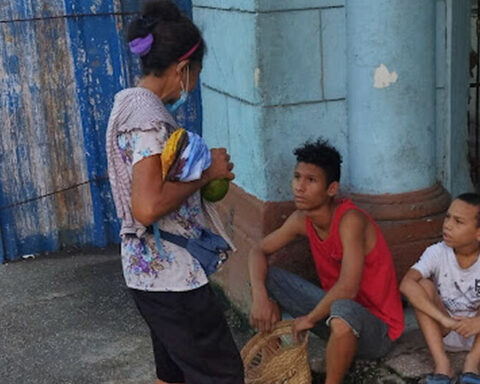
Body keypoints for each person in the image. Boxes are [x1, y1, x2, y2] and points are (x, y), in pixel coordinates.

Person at [105, 1, 244, 383]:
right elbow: (147, 207)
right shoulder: (148, 121)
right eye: (196, 72)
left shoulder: (130, 105)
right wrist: (206, 175)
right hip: (171, 274)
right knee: (223, 375)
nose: (195, 84)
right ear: (183, 69)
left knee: (172, 373)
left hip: (149, 273)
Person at [248, 139, 405, 384]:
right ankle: (275, 365)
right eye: (297, 177)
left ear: (331, 189)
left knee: (342, 307)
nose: (300, 187)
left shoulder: (350, 220)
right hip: (334, 316)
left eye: (311, 180)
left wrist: (309, 319)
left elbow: (348, 288)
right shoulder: (301, 219)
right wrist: (259, 296)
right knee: (267, 277)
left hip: (378, 331)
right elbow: (258, 250)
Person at [400, 193, 480, 384]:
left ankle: (472, 364)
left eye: (458, 221)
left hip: (476, 333)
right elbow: (405, 284)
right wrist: (445, 320)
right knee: (421, 285)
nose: (448, 225)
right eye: (447, 217)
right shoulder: (437, 252)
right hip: (443, 329)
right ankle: (442, 365)